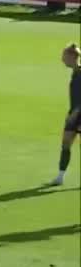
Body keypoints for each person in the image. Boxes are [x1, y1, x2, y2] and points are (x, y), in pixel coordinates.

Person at [51, 43, 81, 186]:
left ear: (72, 57)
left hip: (78, 114)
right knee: (65, 144)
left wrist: (75, 113)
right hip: (73, 115)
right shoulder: (75, 72)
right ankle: (60, 176)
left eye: (64, 56)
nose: (62, 59)